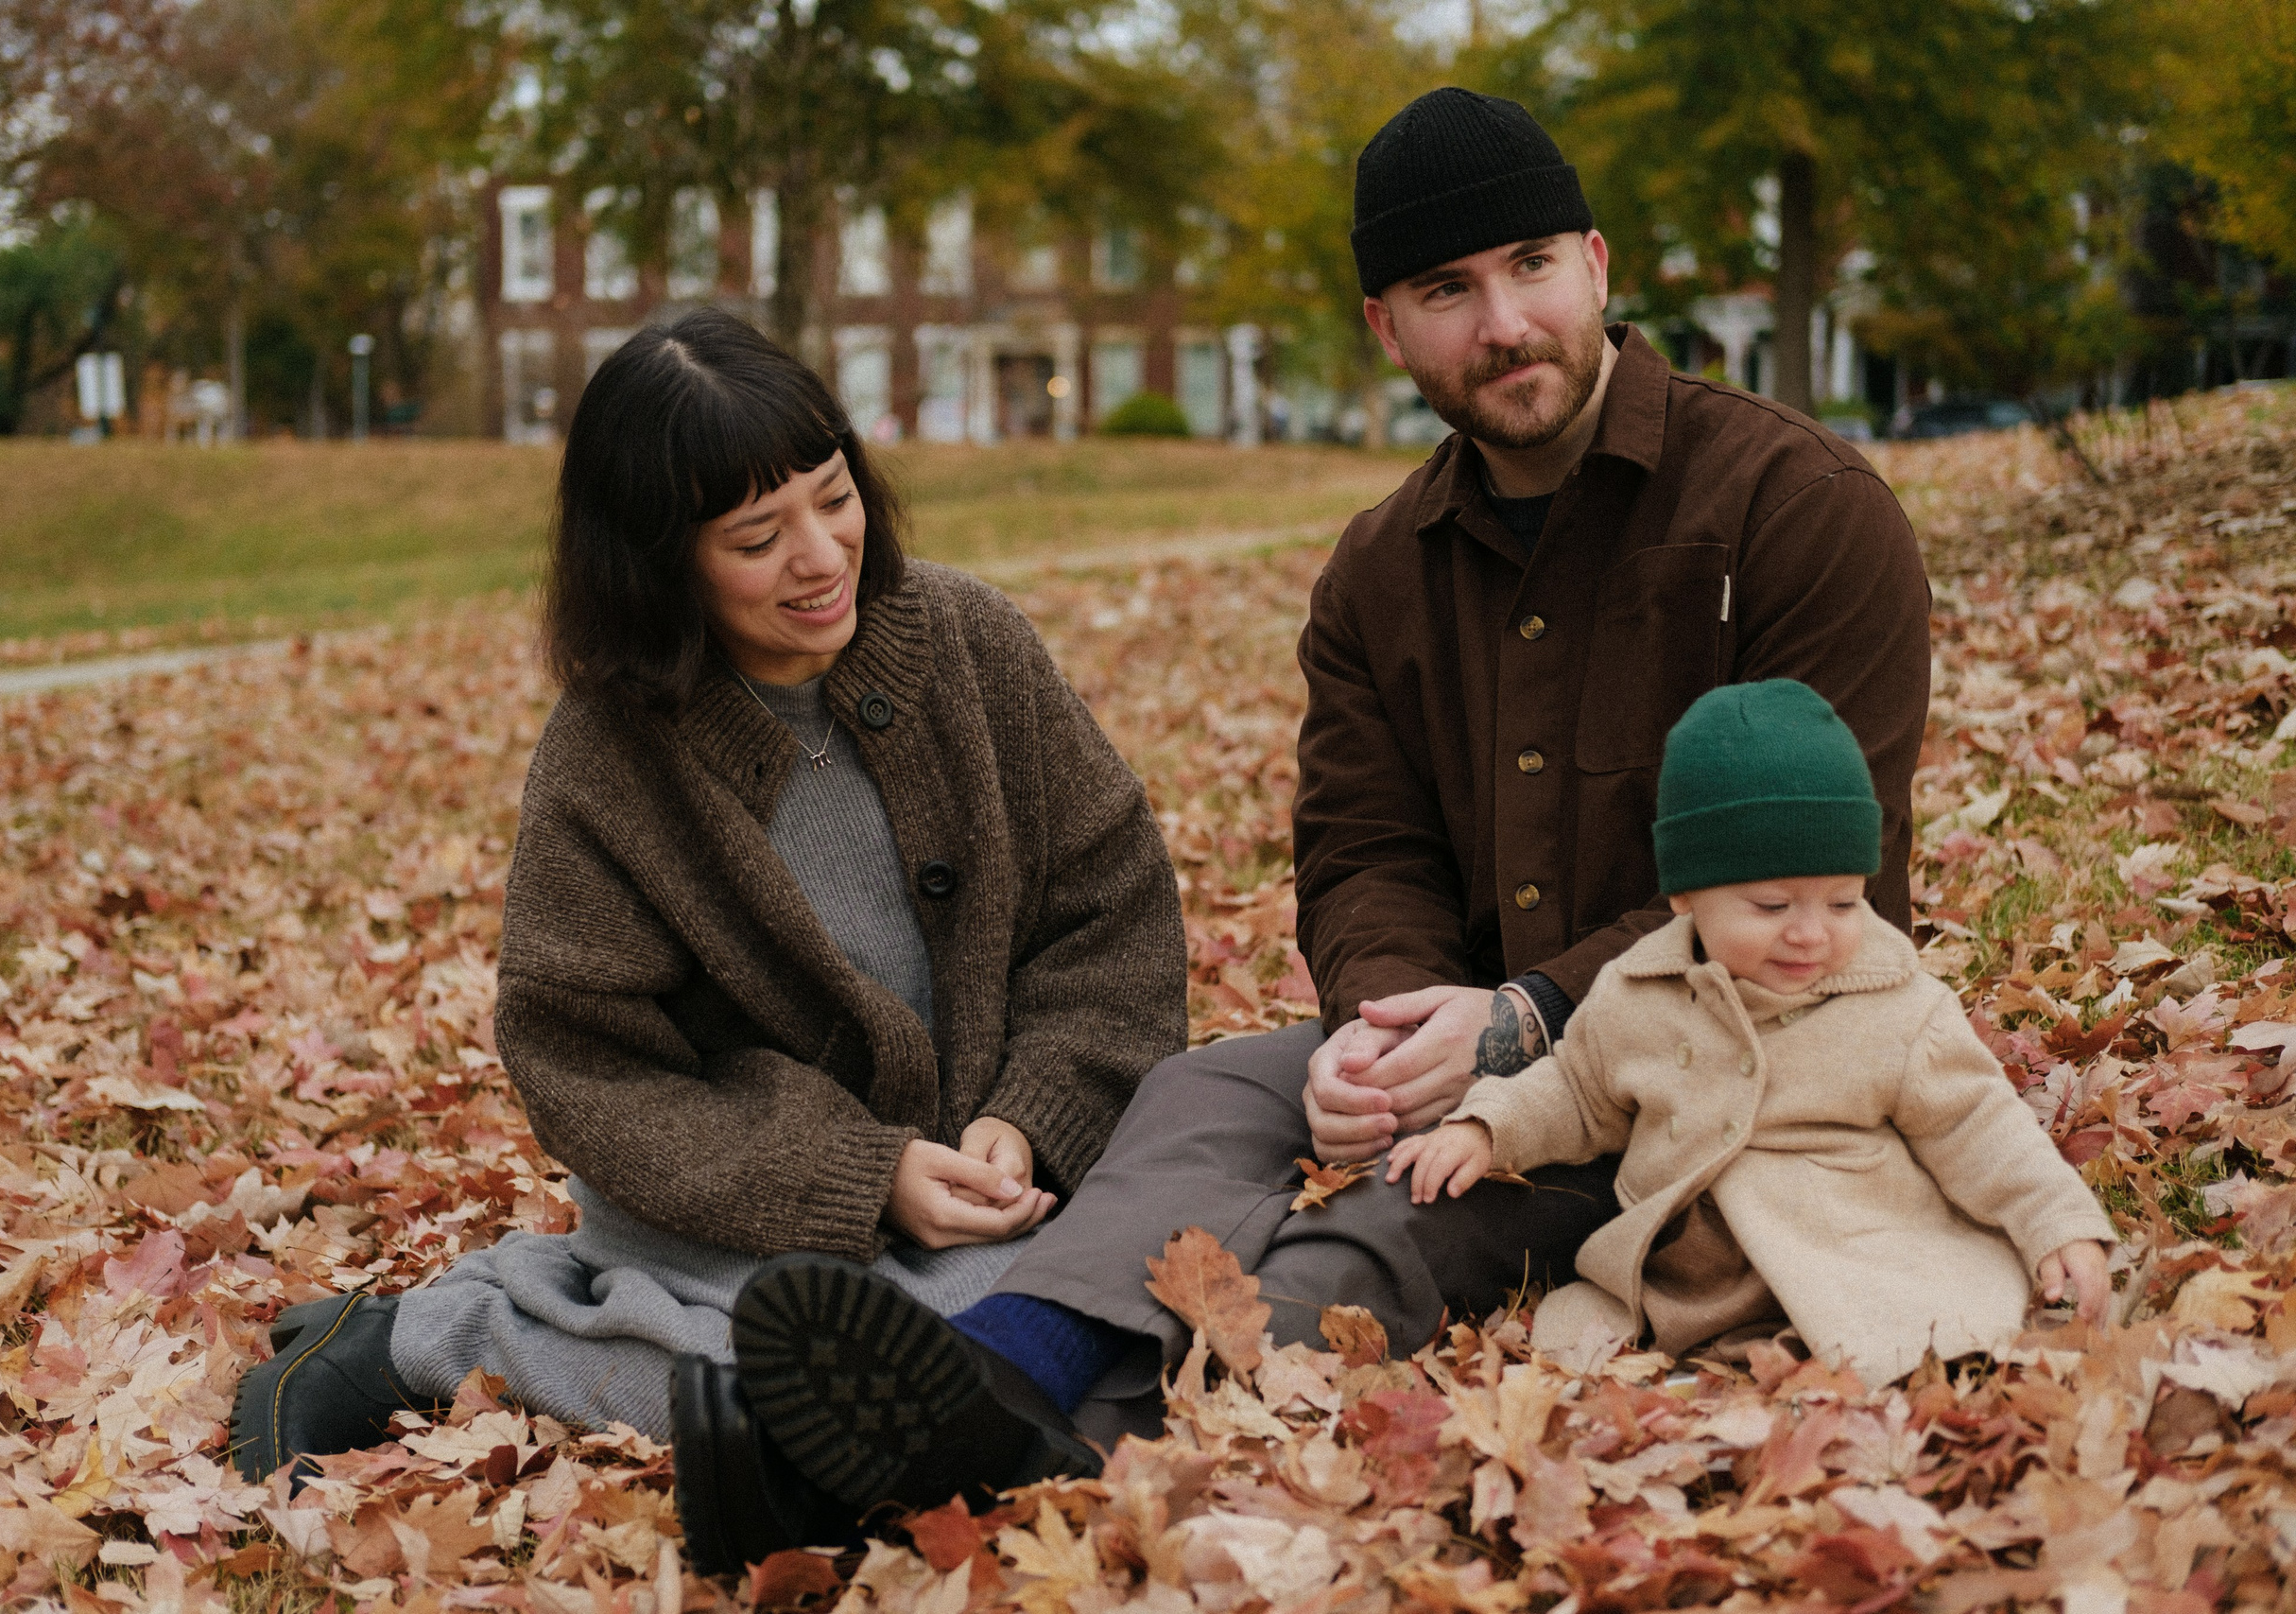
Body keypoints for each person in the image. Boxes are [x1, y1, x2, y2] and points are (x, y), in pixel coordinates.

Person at [665, 85, 1935, 1558]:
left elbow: (1835, 888)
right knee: (1206, 1093)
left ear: (1597, 263)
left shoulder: (1801, 508)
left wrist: (1523, 1020)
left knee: (1403, 1215)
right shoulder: (1379, 570)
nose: (1503, 321)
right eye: (1446, 290)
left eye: (1530, 266)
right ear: (1387, 330)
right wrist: (1384, 1024)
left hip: (1733, 1055)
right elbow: (1360, 846)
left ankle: (988, 1441)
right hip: (1467, 1034)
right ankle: (1002, 1360)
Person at [226, 309, 1187, 1567]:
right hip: (739, 1213)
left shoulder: (972, 641)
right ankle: (430, 1337)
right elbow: (588, 1064)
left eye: (834, 498)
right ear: (658, 562)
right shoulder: (606, 758)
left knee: (1191, 1199)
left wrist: (1033, 1108)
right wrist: (862, 1175)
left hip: (1005, 1178)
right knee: (871, 1344)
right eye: (755, 537)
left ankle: (832, 1407)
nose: (820, 554)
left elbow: (1112, 907)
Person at [1387, 681, 2114, 1388]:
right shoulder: (1638, 992)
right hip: (1688, 1284)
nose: (1810, 932)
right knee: (1597, 1361)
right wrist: (1487, 1126)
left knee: (1914, 1341)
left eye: (1843, 900)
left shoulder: (1894, 1004)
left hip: (1856, 1257)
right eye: (1770, 904)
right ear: (1685, 895)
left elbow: (1979, 1125)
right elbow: (1577, 1092)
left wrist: (2054, 1221)